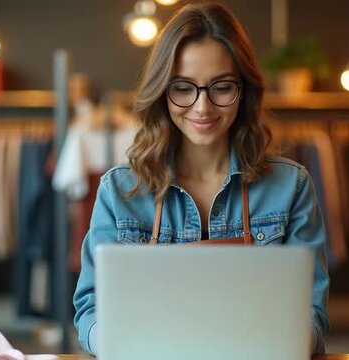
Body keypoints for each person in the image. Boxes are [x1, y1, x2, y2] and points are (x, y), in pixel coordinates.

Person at [72, 2, 330, 355]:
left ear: (245, 90)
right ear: (163, 92)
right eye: (183, 88)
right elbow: (90, 308)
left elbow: (312, 313)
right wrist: (119, 345)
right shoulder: (119, 191)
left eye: (221, 88)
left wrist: (285, 344)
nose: (202, 107)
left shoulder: (291, 187)